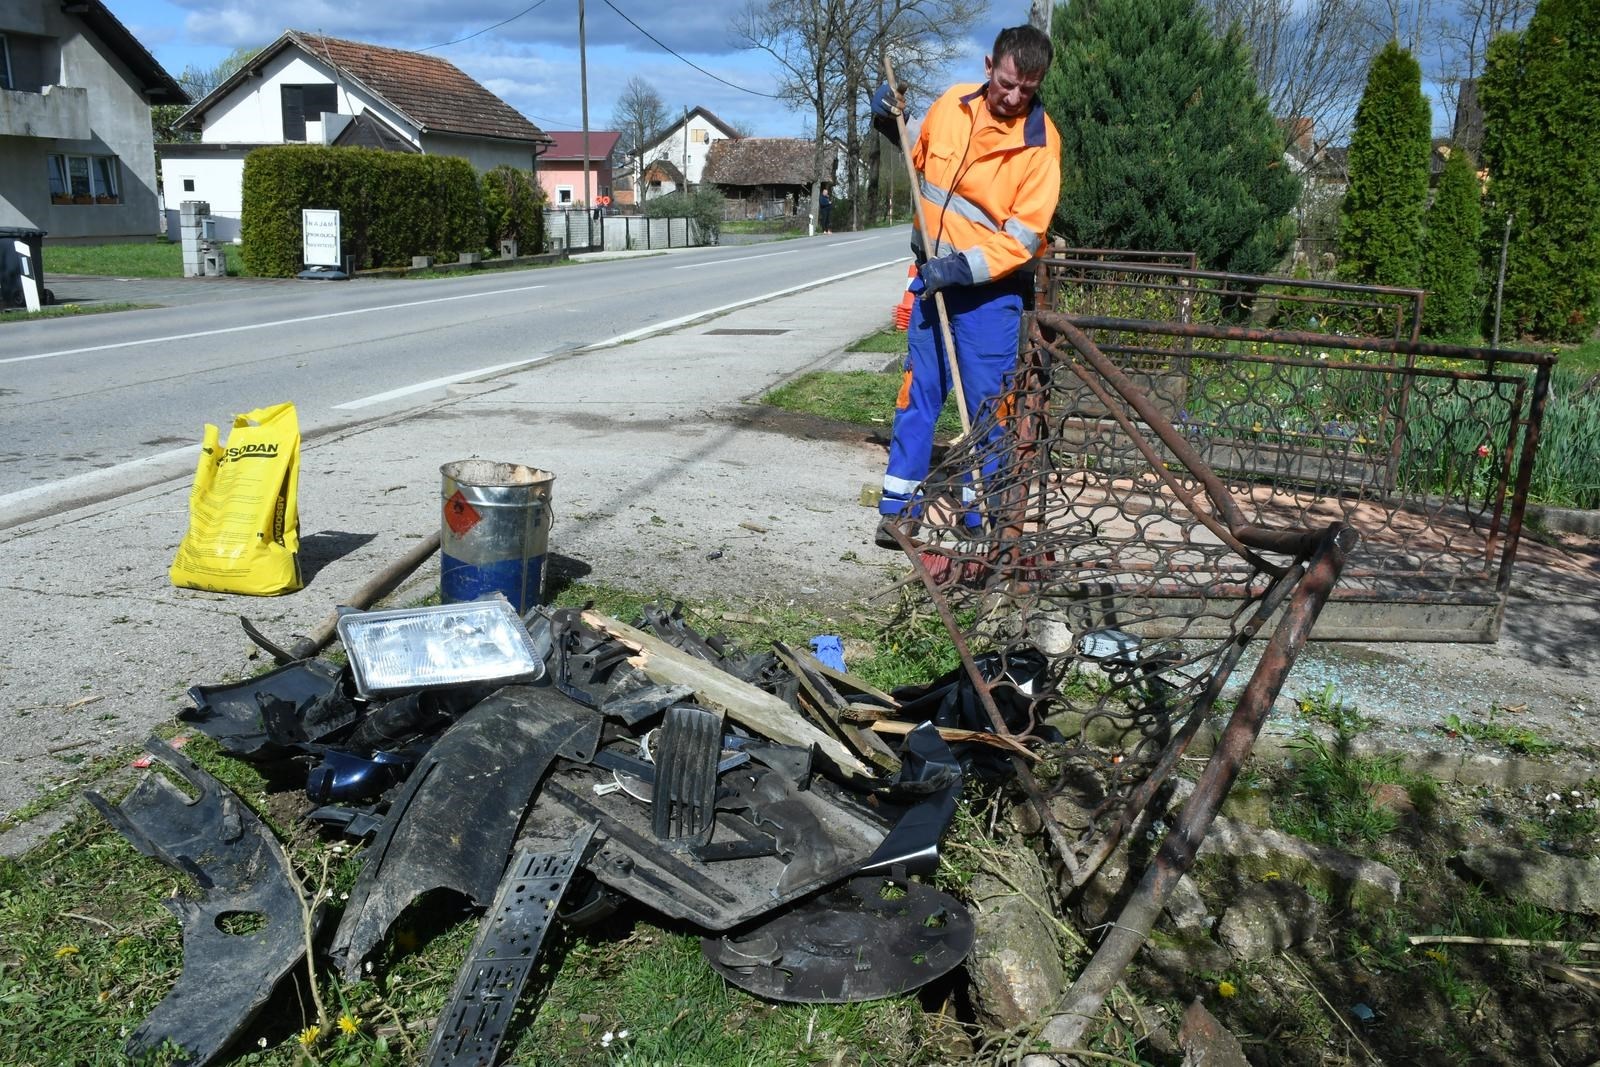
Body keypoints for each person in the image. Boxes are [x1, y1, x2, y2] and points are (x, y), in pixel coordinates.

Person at [869, 24, 1060, 548]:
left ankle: (986, 520)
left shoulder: (1040, 146)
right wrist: (890, 120)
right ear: (987, 67)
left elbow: (1023, 240)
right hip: (933, 282)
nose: (1015, 96)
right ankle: (899, 511)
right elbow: (917, 159)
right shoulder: (952, 104)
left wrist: (958, 269)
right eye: (1007, 83)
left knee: (988, 408)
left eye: (1028, 87)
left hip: (989, 296)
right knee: (918, 395)